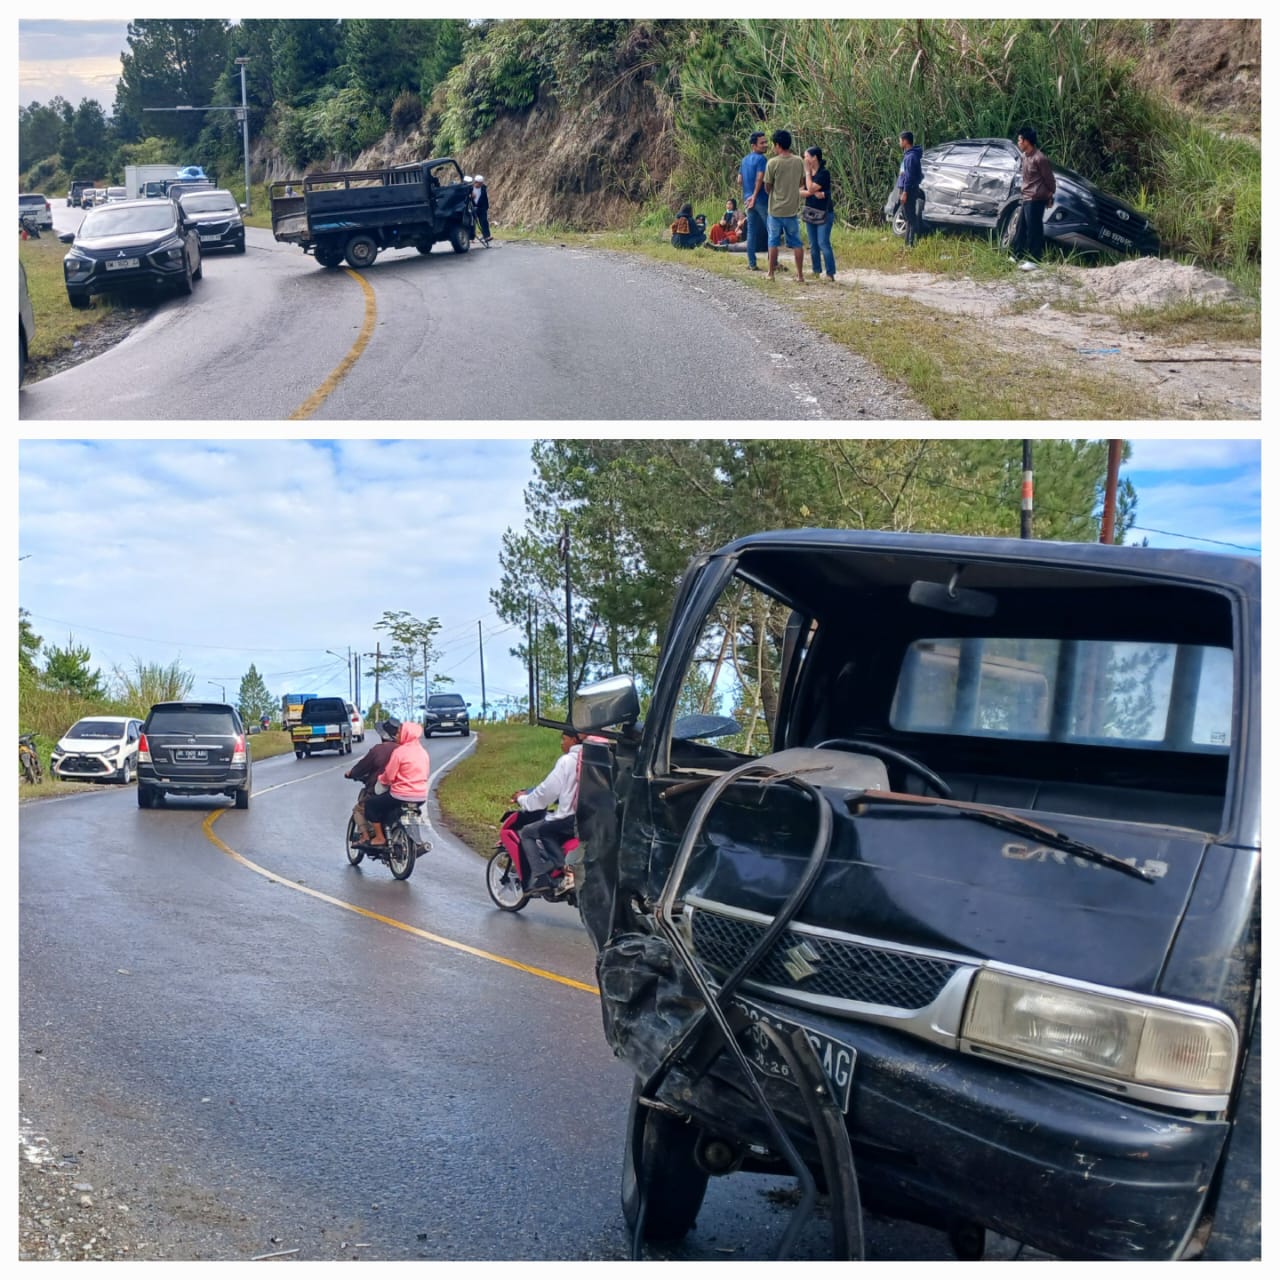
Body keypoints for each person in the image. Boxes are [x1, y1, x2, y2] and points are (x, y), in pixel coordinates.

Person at [512, 728, 586, 894]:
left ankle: (542, 877)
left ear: (574, 740)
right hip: (590, 819)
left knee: (528, 832)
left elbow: (546, 792)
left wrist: (523, 800)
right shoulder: (594, 758)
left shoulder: (567, 761)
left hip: (568, 819)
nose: (562, 743)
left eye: (564, 739)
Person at [364, 721, 430, 848]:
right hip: (420, 796)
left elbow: (389, 776)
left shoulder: (400, 752)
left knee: (371, 804)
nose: (397, 735)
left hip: (399, 796)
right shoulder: (423, 753)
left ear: (407, 734)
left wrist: (381, 779)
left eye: (400, 732)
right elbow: (425, 774)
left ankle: (379, 837)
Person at [345, 718, 400, 841]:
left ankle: (365, 835)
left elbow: (362, 767)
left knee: (359, 809)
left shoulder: (378, 750)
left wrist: (351, 773)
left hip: (381, 790)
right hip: (402, 790)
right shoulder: (404, 749)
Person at [763, 128, 806, 283]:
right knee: (797, 243)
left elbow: (767, 187)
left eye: (774, 145)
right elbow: (801, 182)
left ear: (778, 145)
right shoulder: (799, 161)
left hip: (775, 209)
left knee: (773, 241)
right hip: (792, 210)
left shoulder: (772, 163)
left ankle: (770, 273)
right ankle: (800, 275)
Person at [1012, 125, 1055, 264]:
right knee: (1021, 228)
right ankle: (1017, 255)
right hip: (1026, 197)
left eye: (1019, 140)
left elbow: (1050, 181)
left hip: (1036, 199)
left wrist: (1049, 196)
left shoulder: (1040, 158)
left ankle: (1034, 260)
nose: (1018, 143)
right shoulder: (1024, 156)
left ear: (1026, 141)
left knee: (1034, 230)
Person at [737, 131, 770, 271]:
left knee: (751, 232)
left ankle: (752, 263)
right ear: (753, 145)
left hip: (748, 199)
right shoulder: (762, 159)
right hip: (760, 199)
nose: (765, 145)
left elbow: (739, 180)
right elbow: (760, 178)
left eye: (765, 142)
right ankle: (772, 263)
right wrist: (755, 196)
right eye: (762, 143)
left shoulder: (744, 160)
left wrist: (748, 194)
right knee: (771, 229)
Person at [801, 146, 836, 281]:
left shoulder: (823, 173)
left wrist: (808, 175)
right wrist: (814, 192)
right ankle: (816, 270)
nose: (805, 159)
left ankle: (830, 273)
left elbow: (808, 187)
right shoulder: (807, 174)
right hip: (810, 211)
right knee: (813, 244)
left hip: (824, 212)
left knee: (823, 243)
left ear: (814, 157)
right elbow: (800, 191)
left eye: (806, 156)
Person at [896, 131, 924, 248]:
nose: (899, 143)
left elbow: (909, 177)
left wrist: (905, 192)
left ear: (905, 141)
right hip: (906, 189)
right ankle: (907, 244)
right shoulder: (908, 155)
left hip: (908, 191)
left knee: (911, 218)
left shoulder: (911, 157)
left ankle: (911, 244)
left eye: (900, 140)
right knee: (907, 217)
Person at [470, 174, 491, 244]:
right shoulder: (469, 188)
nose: (480, 185)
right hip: (472, 207)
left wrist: (486, 207)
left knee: (484, 221)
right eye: (479, 183)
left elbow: (485, 198)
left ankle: (487, 236)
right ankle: (471, 238)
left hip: (482, 208)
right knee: (472, 223)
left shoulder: (483, 188)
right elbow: (465, 197)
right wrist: (470, 196)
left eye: (481, 183)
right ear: (475, 182)